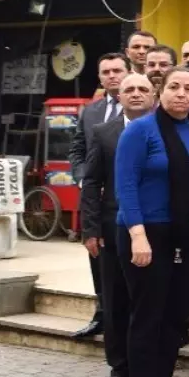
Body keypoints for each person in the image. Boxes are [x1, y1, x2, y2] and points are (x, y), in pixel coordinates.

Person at [115, 67, 189, 377]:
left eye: (188, 88)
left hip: (185, 235)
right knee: (148, 315)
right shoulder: (141, 130)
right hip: (146, 234)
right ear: (160, 90)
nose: (181, 94)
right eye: (174, 87)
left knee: (175, 317)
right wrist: (138, 235)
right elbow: (125, 185)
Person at [81, 73, 156, 377]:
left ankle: (149, 370)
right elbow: (92, 182)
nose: (136, 94)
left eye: (143, 89)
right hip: (113, 230)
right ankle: (119, 369)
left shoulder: (163, 131)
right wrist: (91, 229)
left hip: (155, 229)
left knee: (149, 302)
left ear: (153, 95)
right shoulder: (103, 132)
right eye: (130, 90)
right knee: (114, 301)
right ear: (119, 96)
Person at [70, 52, 130, 341]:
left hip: (126, 201)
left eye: (117, 70)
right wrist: (84, 179)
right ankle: (101, 313)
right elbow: (77, 150)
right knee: (98, 258)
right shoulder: (90, 111)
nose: (112, 76)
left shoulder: (138, 108)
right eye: (106, 72)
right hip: (97, 201)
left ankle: (120, 319)